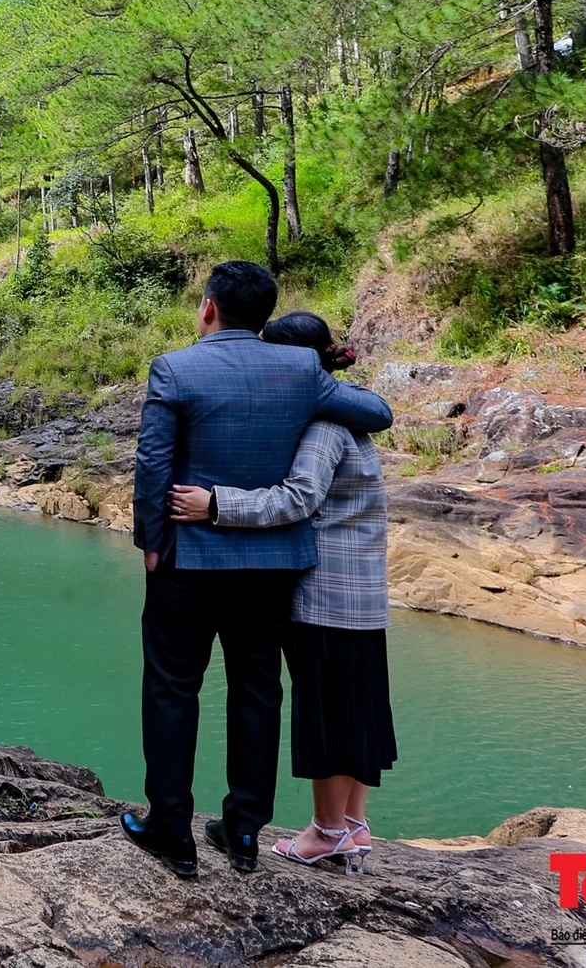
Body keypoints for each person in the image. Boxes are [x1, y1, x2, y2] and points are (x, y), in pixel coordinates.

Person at [121, 261, 393, 878]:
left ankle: (170, 827)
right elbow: (376, 413)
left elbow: (152, 463)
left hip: (187, 557)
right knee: (257, 691)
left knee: (171, 688)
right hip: (273, 565)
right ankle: (243, 830)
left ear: (209, 308)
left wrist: (151, 540)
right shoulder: (302, 369)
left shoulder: (176, 367)